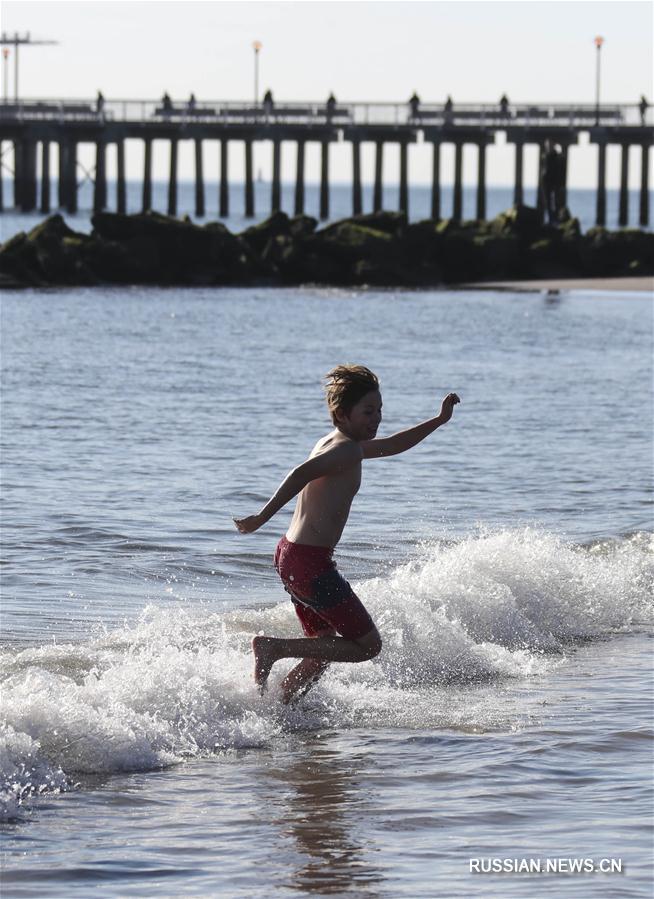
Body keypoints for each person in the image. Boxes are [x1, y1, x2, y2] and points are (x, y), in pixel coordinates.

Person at [234, 365, 461, 704]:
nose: (378, 418)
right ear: (342, 413)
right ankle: (273, 648)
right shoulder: (347, 450)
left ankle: (281, 706)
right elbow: (300, 474)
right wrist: (260, 518)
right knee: (367, 645)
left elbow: (395, 444)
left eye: (380, 410)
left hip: (290, 555)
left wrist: (438, 420)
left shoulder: (340, 443)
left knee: (324, 645)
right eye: (369, 411)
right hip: (310, 562)